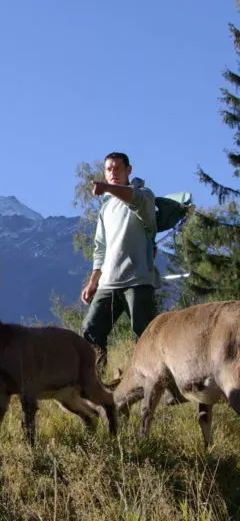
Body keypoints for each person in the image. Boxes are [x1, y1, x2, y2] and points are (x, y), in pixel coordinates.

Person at [80, 152, 161, 375]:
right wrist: (93, 282)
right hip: (108, 283)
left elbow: (133, 198)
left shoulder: (145, 196)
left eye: (117, 168)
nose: (113, 172)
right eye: (109, 169)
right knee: (91, 330)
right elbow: (100, 248)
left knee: (145, 334)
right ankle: (96, 382)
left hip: (138, 280)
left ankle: (154, 384)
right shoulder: (105, 209)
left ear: (129, 170)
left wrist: (106, 188)